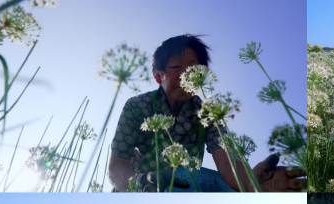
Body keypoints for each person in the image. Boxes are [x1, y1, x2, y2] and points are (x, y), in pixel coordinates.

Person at [109, 34, 306, 192]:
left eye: (195, 68)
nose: (187, 73)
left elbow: (227, 161)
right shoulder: (137, 106)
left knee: (204, 180)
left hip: (185, 187)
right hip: (139, 186)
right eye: (177, 66)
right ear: (158, 75)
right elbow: (117, 165)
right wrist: (138, 185)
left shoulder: (210, 114)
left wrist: (252, 184)